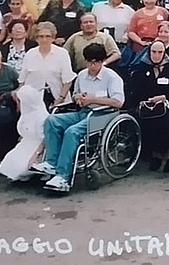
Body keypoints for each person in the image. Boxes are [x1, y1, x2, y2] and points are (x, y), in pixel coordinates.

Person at [36, 43, 127, 193]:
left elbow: (118, 102)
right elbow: (75, 94)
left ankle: (63, 176)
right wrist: (78, 97)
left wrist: (93, 100)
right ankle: (51, 163)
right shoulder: (82, 75)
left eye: (96, 62)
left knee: (72, 132)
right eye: (90, 62)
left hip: (102, 115)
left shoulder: (112, 77)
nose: (93, 65)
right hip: (83, 112)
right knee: (51, 120)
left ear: (102, 61)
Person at [127, 39, 169, 172]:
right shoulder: (141, 69)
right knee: (147, 121)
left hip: (168, 103)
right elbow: (136, 91)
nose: (156, 55)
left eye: (160, 52)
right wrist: (147, 101)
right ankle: (155, 156)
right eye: (154, 52)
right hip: (148, 105)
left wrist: (164, 97)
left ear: (164, 53)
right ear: (149, 52)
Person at [0, 80, 50, 182]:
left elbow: (44, 140)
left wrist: (35, 156)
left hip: (38, 147)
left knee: (22, 165)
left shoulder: (42, 116)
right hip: (26, 144)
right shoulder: (26, 113)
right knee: (10, 162)